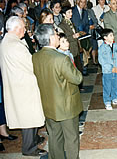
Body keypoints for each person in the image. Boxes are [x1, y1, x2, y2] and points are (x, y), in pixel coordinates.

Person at [33, 24, 83, 159]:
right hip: (66, 105)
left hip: (48, 105)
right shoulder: (61, 58)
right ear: (50, 38)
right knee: (71, 138)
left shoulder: (35, 57)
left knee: (54, 137)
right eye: (56, 34)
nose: (57, 35)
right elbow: (77, 79)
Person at [0, 16, 46, 156]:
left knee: (31, 116)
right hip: (23, 86)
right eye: (23, 27)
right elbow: (31, 64)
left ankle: (34, 139)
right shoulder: (15, 45)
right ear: (16, 28)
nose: (25, 30)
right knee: (28, 118)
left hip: (18, 84)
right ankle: (29, 148)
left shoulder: (7, 41)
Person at [98, 28, 117, 110]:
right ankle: (107, 101)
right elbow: (102, 60)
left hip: (116, 69)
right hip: (107, 71)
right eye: (111, 35)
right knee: (107, 86)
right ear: (105, 37)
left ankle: (115, 98)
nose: (113, 37)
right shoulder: (102, 48)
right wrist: (110, 68)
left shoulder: (115, 45)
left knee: (115, 85)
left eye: (113, 35)